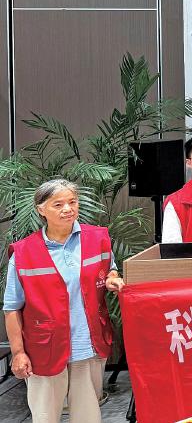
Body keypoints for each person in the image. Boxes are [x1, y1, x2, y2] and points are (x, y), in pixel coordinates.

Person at [3, 179, 125, 423]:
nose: (68, 209)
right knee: (45, 416)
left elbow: (109, 269)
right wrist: (18, 352)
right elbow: (12, 308)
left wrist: (112, 279)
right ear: (41, 209)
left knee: (88, 416)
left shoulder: (98, 238)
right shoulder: (24, 252)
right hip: (44, 348)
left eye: (72, 202)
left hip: (88, 344)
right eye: (58, 204)